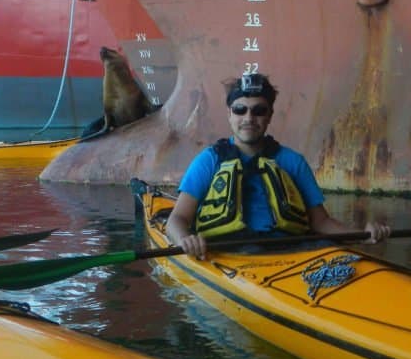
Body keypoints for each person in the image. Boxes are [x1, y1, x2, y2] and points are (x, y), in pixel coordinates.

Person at [166, 72, 390, 260]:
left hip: (289, 249)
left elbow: (321, 222)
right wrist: (186, 239)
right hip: (228, 251)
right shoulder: (210, 160)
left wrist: (361, 234)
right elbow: (177, 219)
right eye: (240, 109)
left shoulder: (292, 162)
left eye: (259, 110)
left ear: (270, 115)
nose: (249, 117)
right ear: (229, 115)